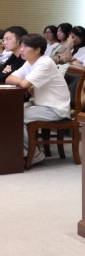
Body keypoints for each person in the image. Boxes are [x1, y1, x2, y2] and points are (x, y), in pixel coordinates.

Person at [6, 34, 72, 166]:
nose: (22, 49)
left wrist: (25, 83)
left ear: (37, 50)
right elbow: (9, 79)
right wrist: (24, 83)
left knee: (14, 118)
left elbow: (25, 84)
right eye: (21, 46)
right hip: (40, 104)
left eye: (26, 47)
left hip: (54, 108)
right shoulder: (30, 62)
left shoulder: (45, 63)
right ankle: (14, 152)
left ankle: (34, 154)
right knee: (7, 114)